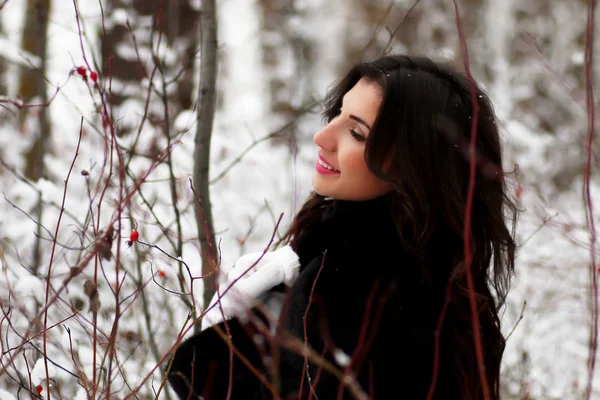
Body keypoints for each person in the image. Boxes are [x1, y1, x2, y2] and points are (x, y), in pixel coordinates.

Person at [168, 54, 518, 400]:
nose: (323, 136)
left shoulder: (352, 282)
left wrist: (223, 341)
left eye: (356, 132)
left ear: (415, 166)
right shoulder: (440, 276)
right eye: (337, 114)